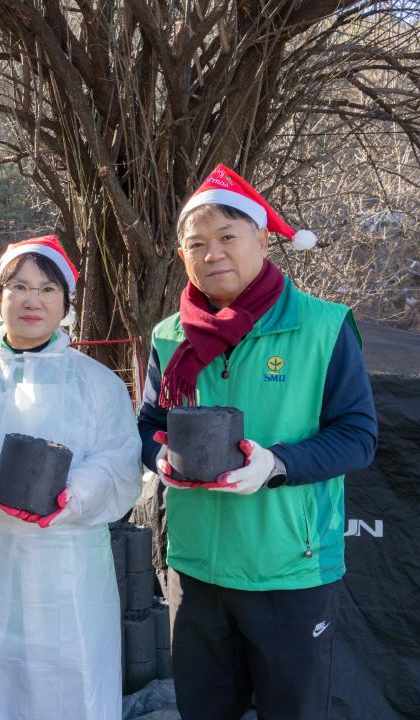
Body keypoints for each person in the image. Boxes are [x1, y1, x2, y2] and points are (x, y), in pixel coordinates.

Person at [136, 165, 378, 720]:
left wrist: (277, 464)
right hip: (195, 566)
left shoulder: (322, 327)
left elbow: (358, 437)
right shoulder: (171, 335)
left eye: (227, 237)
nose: (212, 253)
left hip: (288, 567)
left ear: (262, 239)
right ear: (182, 256)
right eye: (196, 244)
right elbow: (149, 420)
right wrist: (160, 456)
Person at [0, 236, 142, 720]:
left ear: (65, 303)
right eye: (18, 286)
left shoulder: (97, 383)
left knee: (67, 687)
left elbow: (119, 462)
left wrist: (75, 495)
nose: (31, 300)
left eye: (47, 289)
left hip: (67, 565)